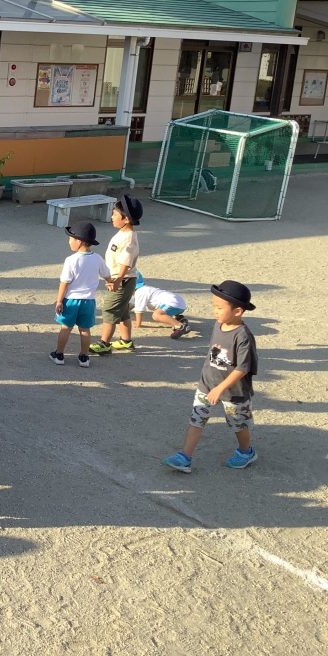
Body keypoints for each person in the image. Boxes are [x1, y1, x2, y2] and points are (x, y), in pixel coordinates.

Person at [163, 281, 259, 474]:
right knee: (196, 419)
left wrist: (221, 388)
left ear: (238, 311)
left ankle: (246, 452)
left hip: (234, 392)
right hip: (207, 384)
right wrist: (210, 382)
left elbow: (243, 368)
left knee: (238, 424)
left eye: (220, 307)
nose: (215, 311)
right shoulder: (218, 324)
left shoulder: (243, 336)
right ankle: (185, 457)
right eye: (213, 305)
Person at [50, 221, 112, 369]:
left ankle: (59, 354)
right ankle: (84, 357)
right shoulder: (97, 258)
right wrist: (109, 282)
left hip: (71, 300)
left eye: (71, 238)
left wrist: (59, 301)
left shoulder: (71, 260)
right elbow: (107, 275)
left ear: (79, 241)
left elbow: (64, 283)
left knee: (66, 328)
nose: (69, 241)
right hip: (88, 301)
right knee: (85, 330)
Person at [90, 195, 143, 355]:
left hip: (123, 280)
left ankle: (104, 343)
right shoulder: (124, 233)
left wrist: (117, 280)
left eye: (115, 214)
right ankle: (126, 341)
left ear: (126, 219)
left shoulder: (129, 238)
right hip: (123, 279)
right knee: (123, 310)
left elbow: (125, 262)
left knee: (110, 310)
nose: (112, 217)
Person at [133, 274, 191, 339]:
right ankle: (179, 319)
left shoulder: (140, 292)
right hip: (179, 303)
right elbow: (132, 303)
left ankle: (180, 326)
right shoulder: (146, 289)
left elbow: (139, 310)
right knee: (162, 311)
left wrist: (138, 324)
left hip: (173, 303)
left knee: (157, 315)